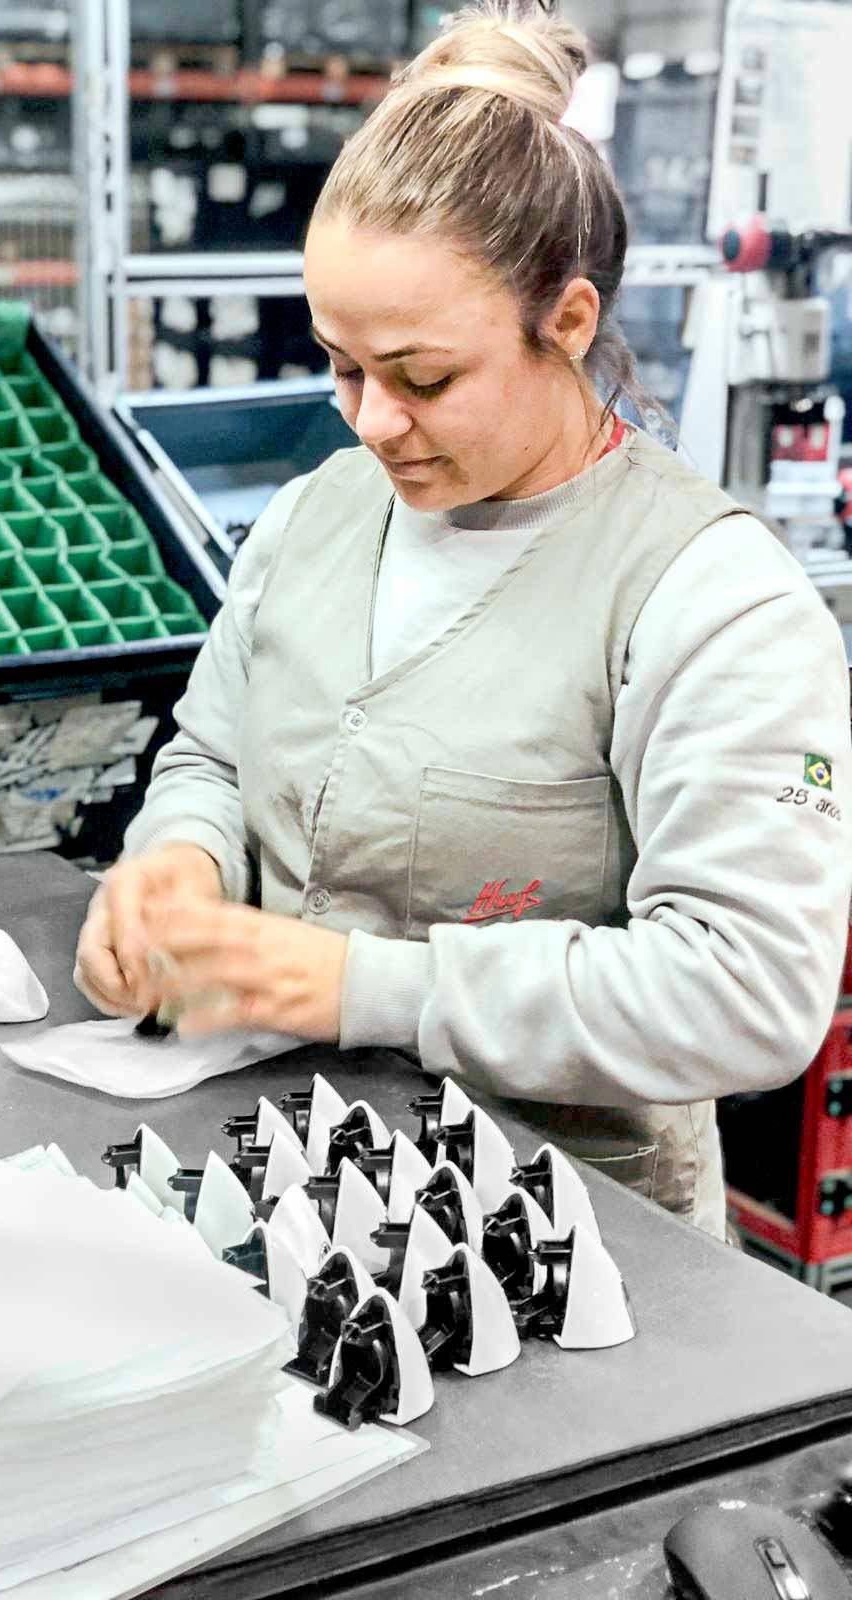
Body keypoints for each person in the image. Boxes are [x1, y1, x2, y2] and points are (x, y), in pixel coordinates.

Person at [74, 0, 852, 1239]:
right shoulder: (318, 514)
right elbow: (216, 753)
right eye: (342, 365)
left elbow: (748, 992)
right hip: (303, 1174)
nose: (372, 421)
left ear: (571, 323)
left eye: (424, 378)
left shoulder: (708, 594)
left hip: (574, 1235)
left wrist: (368, 985)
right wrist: (181, 858)